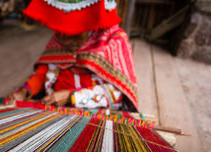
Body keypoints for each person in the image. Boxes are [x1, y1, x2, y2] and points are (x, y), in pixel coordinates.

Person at [8, 0, 139, 111]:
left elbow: (117, 93)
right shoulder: (57, 41)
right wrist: (25, 91)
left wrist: (72, 97)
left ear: (90, 25)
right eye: (60, 33)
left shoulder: (113, 41)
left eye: (76, 34)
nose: (66, 41)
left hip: (96, 117)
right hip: (53, 111)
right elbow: (42, 74)